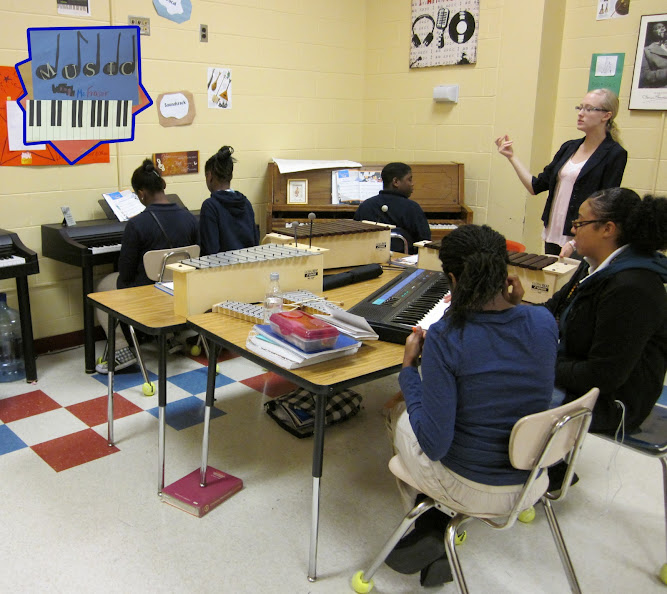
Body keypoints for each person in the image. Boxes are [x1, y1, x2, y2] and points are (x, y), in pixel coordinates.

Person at [384, 224, 558, 587]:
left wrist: (408, 369)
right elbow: (501, 341)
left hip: (474, 487)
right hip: (534, 477)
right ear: (506, 274)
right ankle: (435, 530)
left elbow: (435, 444)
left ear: (452, 279)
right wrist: (515, 304)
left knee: (397, 412)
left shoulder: (447, 337)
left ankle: (430, 529)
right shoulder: (543, 321)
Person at [507, 188, 667, 435]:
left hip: (609, 405)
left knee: (501, 391)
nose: (573, 230)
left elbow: (602, 376)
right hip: (578, 380)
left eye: (580, 223)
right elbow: (552, 310)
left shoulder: (633, 288)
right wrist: (507, 308)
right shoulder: (593, 266)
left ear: (607, 229)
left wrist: (536, 360)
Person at [95, 159, 199, 374]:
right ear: (164, 186)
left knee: (102, 286)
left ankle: (121, 349)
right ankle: (169, 337)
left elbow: (125, 273)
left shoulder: (137, 224)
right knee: (161, 278)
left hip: (149, 295)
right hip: (180, 290)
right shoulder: (190, 218)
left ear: (141, 194)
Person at [495, 88, 627, 257]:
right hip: (554, 233)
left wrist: (574, 242)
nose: (580, 113)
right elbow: (535, 186)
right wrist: (511, 157)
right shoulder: (569, 147)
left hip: (582, 238)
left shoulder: (615, 153)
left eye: (589, 109)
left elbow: (606, 204)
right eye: (580, 107)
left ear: (606, 116)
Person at [353, 162, 431, 253]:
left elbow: (355, 239)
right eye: (409, 180)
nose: (412, 184)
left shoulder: (365, 205)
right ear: (396, 182)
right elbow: (424, 242)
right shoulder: (412, 208)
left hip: (369, 258)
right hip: (403, 260)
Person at [199, 146, 259, 256]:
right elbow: (255, 243)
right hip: (249, 264)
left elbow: (210, 250)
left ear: (209, 176)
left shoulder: (210, 206)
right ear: (230, 175)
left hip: (223, 266)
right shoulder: (246, 203)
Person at [639, 21, 667, 88]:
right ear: (653, 32)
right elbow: (645, 75)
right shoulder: (646, 50)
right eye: (658, 28)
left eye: (663, 27)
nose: (662, 29)